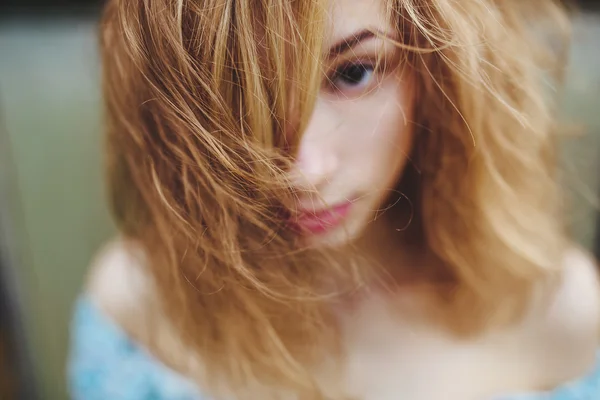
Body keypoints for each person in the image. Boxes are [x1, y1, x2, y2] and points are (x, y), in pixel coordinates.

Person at [68, 0, 600, 399]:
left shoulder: (561, 314)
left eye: (352, 72)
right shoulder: (139, 305)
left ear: (445, 68)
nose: (302, 171)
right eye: (232, 90)